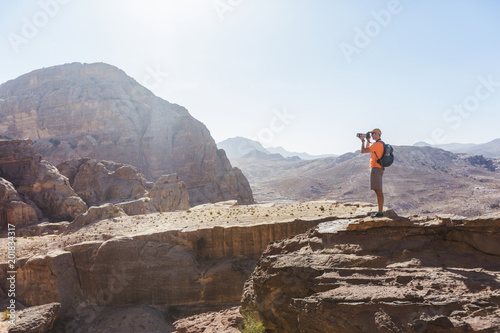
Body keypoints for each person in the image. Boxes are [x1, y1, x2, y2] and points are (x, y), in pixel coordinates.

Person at [360, 128, 385, 217]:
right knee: (378, 190)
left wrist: (363, 141)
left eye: (373, 133)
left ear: (377, 134)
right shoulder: (380, 144)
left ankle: (380, 212)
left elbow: (363, 151)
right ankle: (380, 211)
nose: (372, 135)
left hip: (376, 169)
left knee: (378, 191)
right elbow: (368, 150)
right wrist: (368, 141)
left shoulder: (377, 144)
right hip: (378, 168)